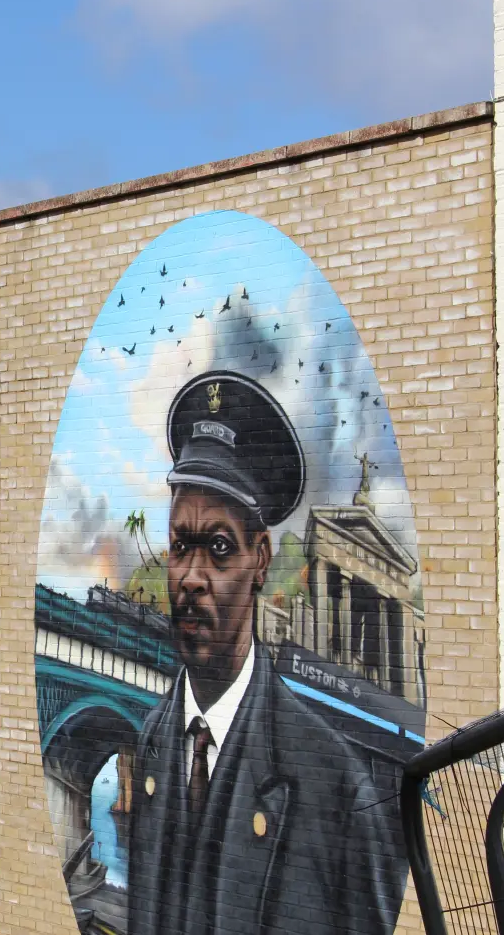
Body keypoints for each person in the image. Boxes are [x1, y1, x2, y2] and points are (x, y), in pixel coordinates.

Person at [125, 371, 402, 935]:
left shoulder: (337, 789)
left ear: (261, 560)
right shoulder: (153, 740)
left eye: (219, 548)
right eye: (180, 546)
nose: (191, 577)